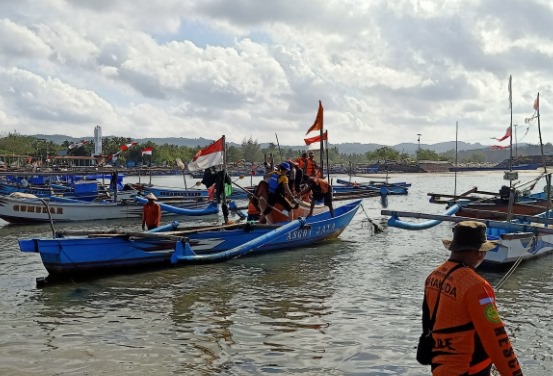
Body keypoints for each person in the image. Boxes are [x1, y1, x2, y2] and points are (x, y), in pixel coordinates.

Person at [421, 221, 523, 375]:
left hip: (440, 365)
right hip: (470, 369)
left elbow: (428, 322)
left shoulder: (433, 276)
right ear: (480, 253)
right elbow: (496, 338)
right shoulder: (476, 286)